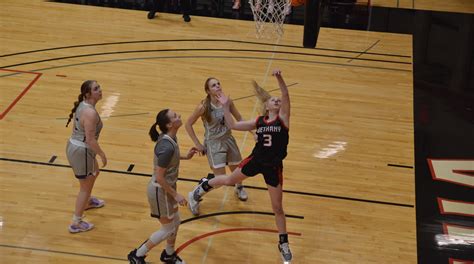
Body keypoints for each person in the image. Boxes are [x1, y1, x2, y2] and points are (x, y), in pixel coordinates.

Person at [188, 69, 293, 262]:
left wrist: (279, 77)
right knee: (228, 180)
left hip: (273, 167)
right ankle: (202, 187)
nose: (277, 100)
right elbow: (234, 126)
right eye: (273, 99)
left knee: (277, 208)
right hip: (256, 160)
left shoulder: (283, 119)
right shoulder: (258, 121)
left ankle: (283, 242)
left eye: (278, 100)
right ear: (266, 105)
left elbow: (286, 95)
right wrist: (226, 107)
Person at [128, 109, 198, 264]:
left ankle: (169, 254)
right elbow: (160, 177)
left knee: (176, 221)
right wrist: (176, 195)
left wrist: (186, 156)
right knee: (168, 229)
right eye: (175, 116)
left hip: (165, 188)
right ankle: (137, 254)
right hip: (160, 191)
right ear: (169, 124)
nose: (179, 115)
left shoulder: (170, 138)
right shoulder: (167, 146)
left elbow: (168, 157)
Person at [185, 77, 249, 209]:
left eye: (219, 84)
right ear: (208, 91)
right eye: (214, 85)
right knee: (220, 180)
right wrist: (198, 144)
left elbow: (240, 118)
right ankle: (195, 194)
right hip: (214, 143)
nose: (218, 86)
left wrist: (253, 132)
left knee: (238, 170)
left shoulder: (227, 102)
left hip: (228, 139)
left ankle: (239, 187)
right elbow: (188, 124)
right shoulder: (203, 107)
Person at [65, 80, 107, 233]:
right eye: (96, 89)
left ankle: (87, 201)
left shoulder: (84, 105)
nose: (100, 90)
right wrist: (101, 154)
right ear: (88, 94)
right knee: (85, 187)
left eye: (99, 87)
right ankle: (76, 222)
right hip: (81, 151)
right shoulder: (90, 113)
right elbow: (90, 139)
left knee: (95, 171)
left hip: (78, 147)